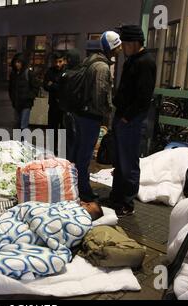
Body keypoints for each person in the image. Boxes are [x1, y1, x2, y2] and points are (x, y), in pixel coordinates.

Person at [109, 25, 157, 217]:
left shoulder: (145, 62)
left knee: (129, 161)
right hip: (124, 117)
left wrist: (127, 117)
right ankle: (116, 197)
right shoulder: (133, 59)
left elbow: (143, 97)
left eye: (126, 44)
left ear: (135, 43)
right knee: (120, 160)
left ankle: (127, 203)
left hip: (132, 120)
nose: (123, 48)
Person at [72, 31, 121, 202]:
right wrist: (106, 115)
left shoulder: (91, 61)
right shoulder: (102, 67)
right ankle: (83, 190)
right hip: (90, 116)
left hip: (81, 113)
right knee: (85, 155)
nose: (120, 49)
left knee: (79, 153)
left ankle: (75, 185)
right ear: (111, 47)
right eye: (117, 45)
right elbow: (100, 95)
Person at [8, 53, 40, 130]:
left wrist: (29, 97)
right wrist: (13, 99)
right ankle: (18, 141)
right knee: (17, 125)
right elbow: (11, 88)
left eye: (19, 62)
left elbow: (35, 87)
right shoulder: (13, 74)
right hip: (16, 104)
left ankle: (24, 141)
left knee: (24, 125)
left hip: (26, 104)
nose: (17, 64)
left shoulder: (28, 73)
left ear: (23, 63)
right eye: (16, 62)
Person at [43, 52, 66, 152]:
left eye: (60, 61)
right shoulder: (50, 71)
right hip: (53, 105)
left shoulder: (67, 71)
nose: (57, 64)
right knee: (52, 128)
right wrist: (58, 86)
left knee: (63, 128)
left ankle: (62, 149)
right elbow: (45, 85)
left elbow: (65, 88)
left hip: (64, 105)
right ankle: (52, 149)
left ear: (64, 61)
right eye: (56, 62)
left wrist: (53, 85)